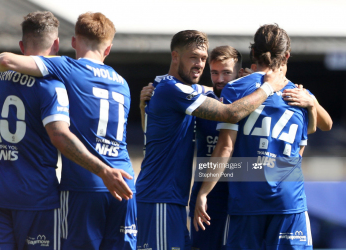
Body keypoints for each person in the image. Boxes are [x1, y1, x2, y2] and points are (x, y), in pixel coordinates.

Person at [0, 11, 128, 250]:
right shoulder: (54, 84)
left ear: (21, 45)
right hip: (38, 197)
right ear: (57, 44)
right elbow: (59, 134)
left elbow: (3, 62)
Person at [135, 30, 286, 249]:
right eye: (193, 57)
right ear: (175, 56)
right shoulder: (172, 89)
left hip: (173, 199)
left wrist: (242, 83)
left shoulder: (170, 87)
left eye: (203, 58)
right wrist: (267, 87)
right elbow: (229, 113)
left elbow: (212, 90)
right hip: (160, 198)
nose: (199, 64)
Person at [194, 24, 316, 249]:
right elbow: (306, 141)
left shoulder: (236, 89)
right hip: (289, 201)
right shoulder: (301, 95)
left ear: (253, 53)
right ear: (286, 56)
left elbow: (225, 148)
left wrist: (203, 192)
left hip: (247, 200)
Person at [188, 45, 243, 250]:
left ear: (239, 72)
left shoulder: (251, 102)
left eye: (227, 73)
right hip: (205, 197)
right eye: (214, 73)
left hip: (238, 195)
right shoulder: (201, 103)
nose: (220, 79)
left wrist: (311, 102)